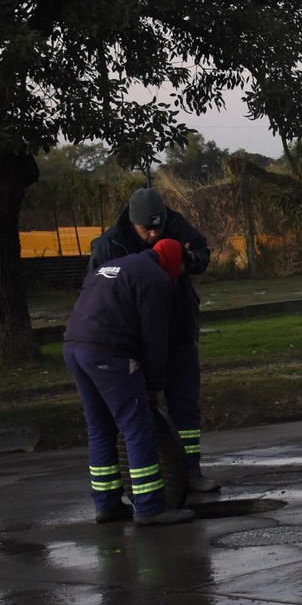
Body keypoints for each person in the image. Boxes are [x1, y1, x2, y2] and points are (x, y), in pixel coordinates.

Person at [90, 188, 219, 491]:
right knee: (134, 413)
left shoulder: (177, 224)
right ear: (131, 221)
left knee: (185, 404)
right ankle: (141, 483)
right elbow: (96, 292)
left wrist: (188, 258)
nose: (153, 233)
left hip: (178, 330)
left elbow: (202, 254)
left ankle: (190, 474)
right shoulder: (110, 245)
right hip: (133, 340)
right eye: (146, 228)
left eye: (158, 227)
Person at [65, 239, 195, 526]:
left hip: (74, 347)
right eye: (181, 271)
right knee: (137, 425)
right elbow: (154, 338)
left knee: (100, 427)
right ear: (174, 262)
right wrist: (155, 385)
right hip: (107, 351)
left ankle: (107, 504)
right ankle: (150, 507)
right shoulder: (156, 278)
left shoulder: (113, 266)